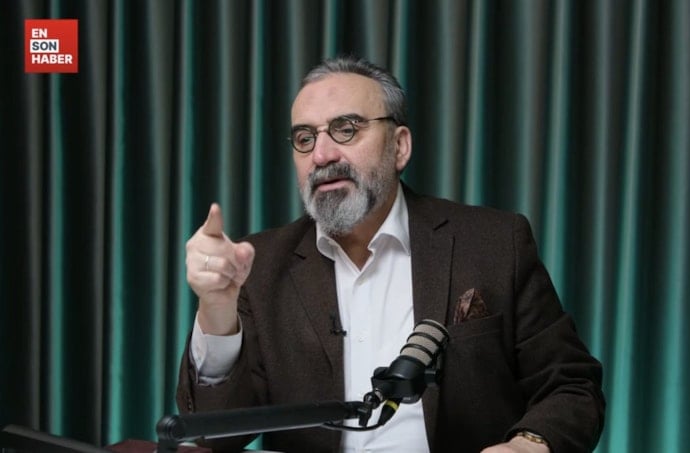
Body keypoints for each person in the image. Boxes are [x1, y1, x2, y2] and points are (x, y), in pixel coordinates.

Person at [176, 56, 604, 453]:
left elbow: (572, 386)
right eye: (305, 138)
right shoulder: (262, 265)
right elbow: (215, 434)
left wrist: (528, 445)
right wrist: (217, 308)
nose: (321, 155)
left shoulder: (493, 243)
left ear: (399, 146)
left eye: (346, 129)